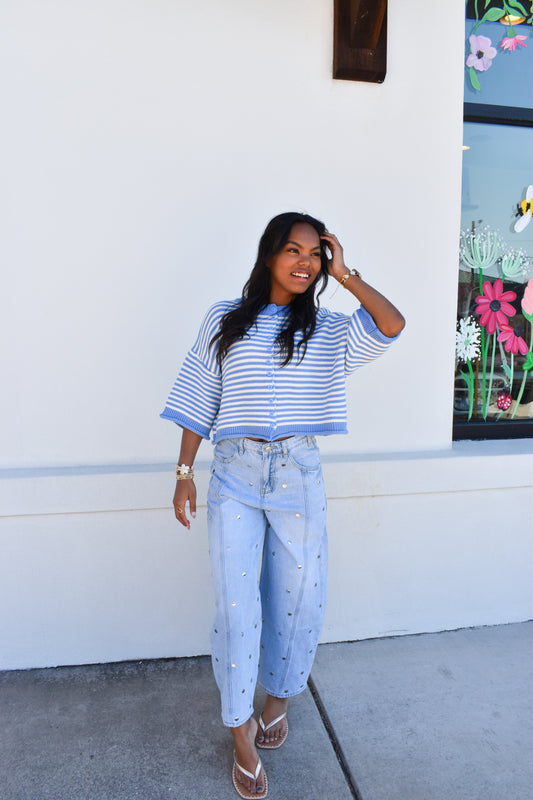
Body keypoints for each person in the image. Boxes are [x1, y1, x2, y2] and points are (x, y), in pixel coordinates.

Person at [161, 211, 405, 799]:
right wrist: (183, 471)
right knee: (238, 603)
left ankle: (278, 700)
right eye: (292, 250)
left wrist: (347, 275)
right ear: (268, 255)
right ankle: (240, 730)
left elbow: (392, 324)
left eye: (315, 254)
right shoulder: (224, 319)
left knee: (297, 598)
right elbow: (201, 393)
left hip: (297, 471)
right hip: (236, 473)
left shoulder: (327, 327)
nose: (305, 262)